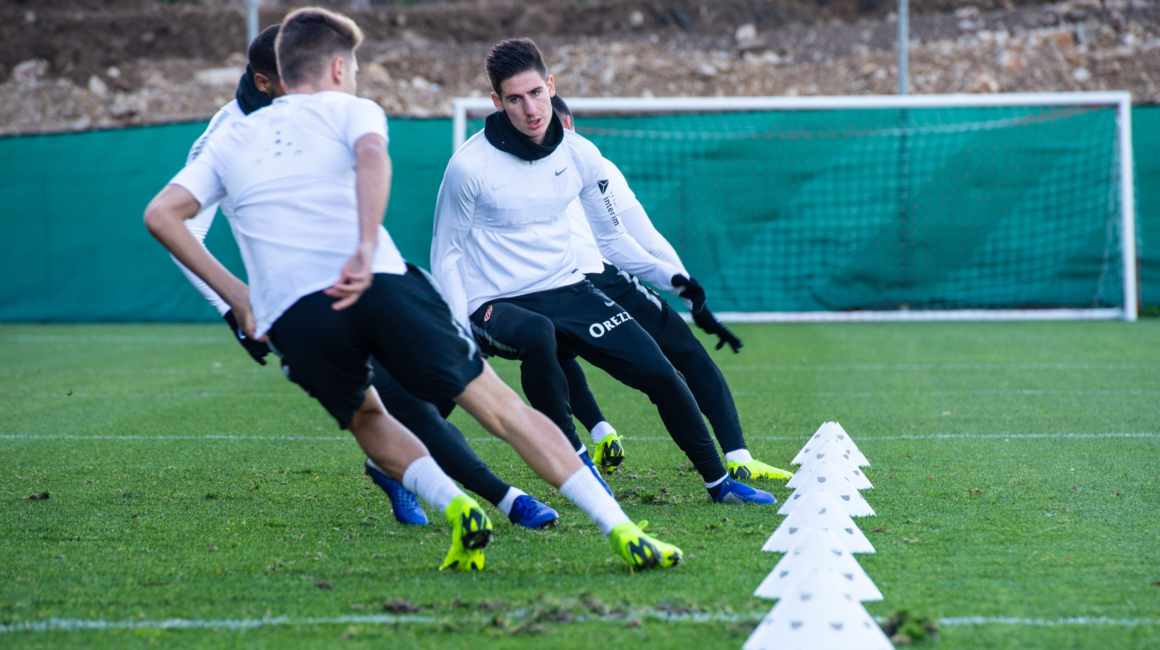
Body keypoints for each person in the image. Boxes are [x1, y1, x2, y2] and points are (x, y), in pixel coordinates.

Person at [144, 8, 681, 571]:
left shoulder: (227, 135)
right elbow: (372, 159)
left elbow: (162, 216)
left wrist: (239, 298)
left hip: (294, 313)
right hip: (377, 282)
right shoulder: (352, 109)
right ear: (336, 68)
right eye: (353, 68)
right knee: (499, 408)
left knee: (369, 418)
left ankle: (456, 505)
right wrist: (363, 242)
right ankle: (621, 529)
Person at [170, 24, 559, 531]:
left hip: (374, 281)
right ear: (267, 82)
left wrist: (368, 245)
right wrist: (231, 306)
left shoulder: (329, 108)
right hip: (305, 305)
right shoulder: (229, 134)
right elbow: (178, 225)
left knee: (445, 390)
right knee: (405, 406)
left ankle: (390, 469)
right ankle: (507, 499)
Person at [431, 38, 774, 505]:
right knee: (533, 336)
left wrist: (671, 279)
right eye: (515, 98)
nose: (530, 109)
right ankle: (577, 462)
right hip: (494, 301)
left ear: (551, 86)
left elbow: (612, 239)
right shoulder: (468, 167)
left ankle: (719, 482)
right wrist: (459, 327)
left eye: (536, 93)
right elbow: (446, 254)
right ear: (497, 102)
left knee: (659, 371)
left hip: (568, 289)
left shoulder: (580, 153)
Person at [551, 95, 794, 482]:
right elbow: (645, 241)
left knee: (552, 355)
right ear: (569, 124)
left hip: (542, 289)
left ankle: (597, 436)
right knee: (685, 357)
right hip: (597, 278)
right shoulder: (591, 161)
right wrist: (691, 296)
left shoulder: (508, 165)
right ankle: (735, 459)